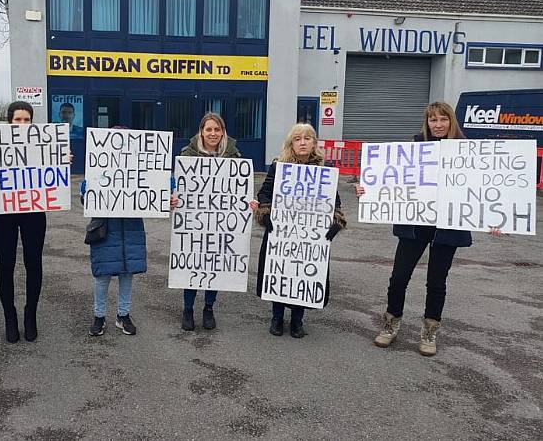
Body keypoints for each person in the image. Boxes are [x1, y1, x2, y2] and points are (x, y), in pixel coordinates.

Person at [355, 101, 501, 356]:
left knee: (436, 281)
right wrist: (369, 191)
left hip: (449, 227)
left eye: (443, 119)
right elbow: (391, 180)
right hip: (415, 224)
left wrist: (492, 218)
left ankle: (430, 330)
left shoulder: (469, 151)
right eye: (433, 120)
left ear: (451, 121)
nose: (438, 124)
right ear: (427, 122)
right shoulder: (413, 149)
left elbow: (481, 191)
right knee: (398, 277)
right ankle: (391, 324)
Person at [252, 123, 346, 338]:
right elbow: (264, 193)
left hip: (310, 237)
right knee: (280, 272)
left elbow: (335, 202)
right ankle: (277, 316)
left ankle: (297, 319)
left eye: (307, 138)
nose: (302, 142)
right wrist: (266, 216)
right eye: (297, 139)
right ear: (291, 143)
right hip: (281, 232)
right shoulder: (279, 167)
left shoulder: (323, 171)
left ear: (314, 143)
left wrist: (335, 224)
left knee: (302, 274)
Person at [0, 101, 46, 343]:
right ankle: (10, 316)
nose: (22, 124)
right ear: (9, 122)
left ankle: (31, 315)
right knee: (5, 265)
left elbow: (52, 181)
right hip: (3, 213)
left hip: (34, 212)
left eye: (26, 120)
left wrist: (61, 160)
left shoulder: (43, 146)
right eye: (17, 120)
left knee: (34, 263)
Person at [174, 113, 241, 332]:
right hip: (193, 223)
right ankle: (188, 309)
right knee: (192, 264)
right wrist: (172, 197)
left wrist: (247, 203)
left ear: (223, 132)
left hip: (220, 224)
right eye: (208, 129)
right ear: (201, 131)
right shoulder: (187, 155)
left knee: (214, 265)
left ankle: (209, 308)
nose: (213, 134)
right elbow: (176, 186)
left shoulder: (234, 156)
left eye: (217, 129)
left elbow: (239, 190)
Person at [82, 174, 145, 337]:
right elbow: (86, 196)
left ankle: (123, 315)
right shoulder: (100, 166)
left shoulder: (140, 168)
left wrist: (169, 189)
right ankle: (99, 316)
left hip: (130, 228)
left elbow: (159, 183)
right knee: (102, 275)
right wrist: (85, 190)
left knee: (127, 273)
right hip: (105, 227)